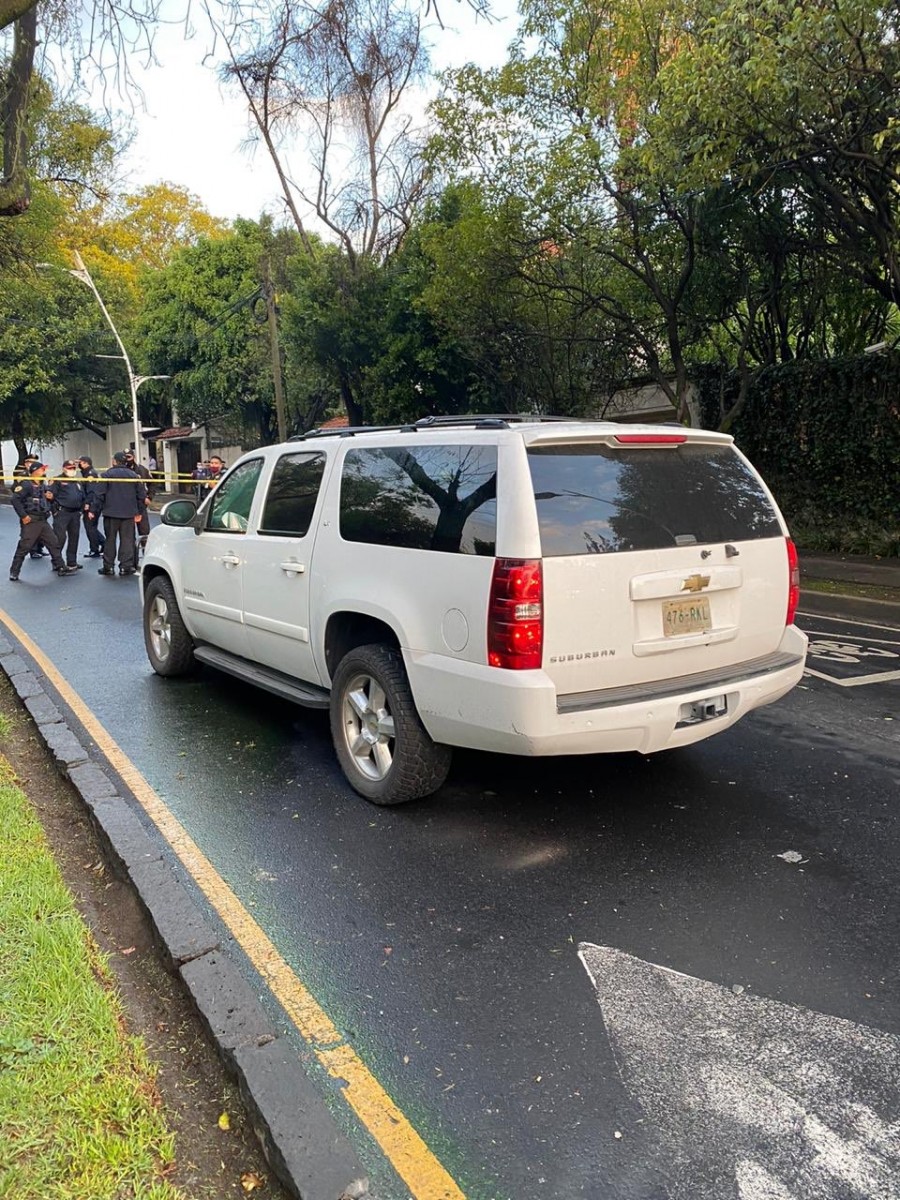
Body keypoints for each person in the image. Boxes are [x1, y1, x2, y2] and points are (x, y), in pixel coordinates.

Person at [9, 463, 79, 581]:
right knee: (24, 547)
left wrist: (50, 498)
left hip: (43, 520)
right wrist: (23, 516)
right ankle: (14, 572)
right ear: (35, 471)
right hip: (32, 521)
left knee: (54, 543)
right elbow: (14, 499)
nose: (44, 471)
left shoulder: (42, 484)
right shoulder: (26, 484)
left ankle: (60, 567)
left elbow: (48, 499)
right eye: (42, 469)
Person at [94, 451, 146, 577]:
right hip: (128, 514)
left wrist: (94, 510)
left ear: (114, 461)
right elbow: (141, 496)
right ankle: (126, 567)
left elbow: (99, 495)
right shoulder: (134, 475)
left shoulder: (107, 475)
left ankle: (108, 567)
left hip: (111, 513)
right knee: (127, 541)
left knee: (110, 540)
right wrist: (139, 511)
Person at [48, 460, 85, 569]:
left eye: (73, 468)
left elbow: (82, 495)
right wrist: (54, 511)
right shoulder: (58, 480)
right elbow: (50, 496)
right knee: (60, 538)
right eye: (69, 468)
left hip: (75, 513)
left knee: (74, 537)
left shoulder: (77, 481)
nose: (72, 470)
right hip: (62, 512)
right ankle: (57, 562)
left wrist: (82, 509)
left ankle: (72, 561)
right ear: (64, 468)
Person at [13, 455, 49, 560]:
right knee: (27, 533)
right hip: (27, 508)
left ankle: (39, 548)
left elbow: (43, 489)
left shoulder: (40, 475)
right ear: (26, 464)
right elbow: (16, 491)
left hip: (40, 508)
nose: (31, 464)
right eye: (29, 462)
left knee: (41, 530)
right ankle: (32, 551)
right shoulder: (23, 475)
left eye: (33, 462)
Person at [123, 449, 154, 557]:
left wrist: (149, 497)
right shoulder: (122, 471)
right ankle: (131, 558)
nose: (127, 460)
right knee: (128, 535)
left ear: (134, 457)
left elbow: (152, 484)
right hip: (127, 506)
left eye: (129, 457)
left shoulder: (142, 470)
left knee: (144, 532)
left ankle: (146, 555)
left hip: (141, 505)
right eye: (125, 457)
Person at [78, 456, 106, 557]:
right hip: (94, 504)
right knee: (91, 527)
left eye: (80, 463)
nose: (79, 465)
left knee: (90, 527)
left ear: (86, 463)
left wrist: (88, 504)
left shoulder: (90, 474)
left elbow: (91, 492)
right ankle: (102, 544)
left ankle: (95, 549)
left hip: (92, 504)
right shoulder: (87, 473)